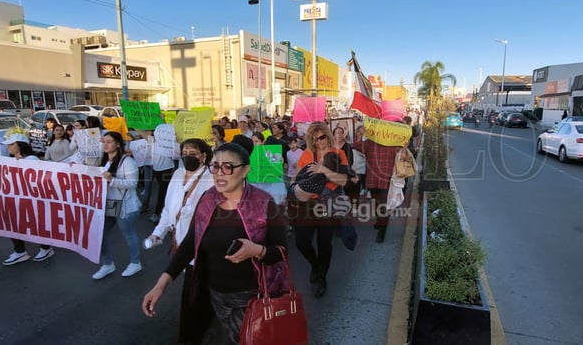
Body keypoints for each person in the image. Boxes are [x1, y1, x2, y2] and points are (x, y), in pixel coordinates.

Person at [142, 143, 288, 344]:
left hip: (251, 296)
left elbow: (281, 251)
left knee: (244, 339)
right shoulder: (207, 198)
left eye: (228, 167)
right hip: (212, 293)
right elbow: (190, 243)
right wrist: (161, 285)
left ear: (245, 170)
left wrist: (257, 250)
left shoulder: (264, 202)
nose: (220, 173)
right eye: (215, 166)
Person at [146, 138, 214, 344]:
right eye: (185, 152)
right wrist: (158, 232)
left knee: (194, 295)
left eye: (193, 153)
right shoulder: (176, 174)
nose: (188, 156)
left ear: (204, 156)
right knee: (195, 291)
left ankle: (194, 336)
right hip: (180, 241)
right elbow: (169, 209)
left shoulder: (211, 179)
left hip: (201, 245)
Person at [292, 122, 348, 297]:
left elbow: (343, 180)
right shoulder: (307, 154)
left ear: (327, 135)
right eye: (314, 139)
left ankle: (321, 276)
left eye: (321, 137)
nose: (319, 142)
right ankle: (315, 265)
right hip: (307, 205)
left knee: (324, 243)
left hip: (328, 205)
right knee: (301, 241)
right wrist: (294, 188)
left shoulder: (339, 154)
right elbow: (295, 177)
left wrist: (323, 169)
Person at [92, 131, 143, 279]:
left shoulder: (127, 161)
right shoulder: (103, 161)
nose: (105, 144)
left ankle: (135, 262)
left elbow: (133, 184)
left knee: (129, 235)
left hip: (125, 206)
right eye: (104, 141)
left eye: (109, 141)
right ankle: (108, 264)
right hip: (107, 205)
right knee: (100, 234)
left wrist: (112, 180)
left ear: (118, 144)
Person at [0, 133, 56, 265]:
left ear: (20, 145)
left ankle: (46, 248)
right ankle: (20, 252)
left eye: (11, 144)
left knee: (36, 224)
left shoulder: (32, 159)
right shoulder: (10, 160)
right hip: (15, 199)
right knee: (13, 224)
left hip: (32, 200)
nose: (8, 147)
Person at [351, 130, 400, 243]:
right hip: (375, 178)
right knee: (377, 202)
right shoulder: (371, 142)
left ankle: (382, 229)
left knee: (382, 204)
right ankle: (380, 222)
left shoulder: (390, 143)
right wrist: (359, 134)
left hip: (383, 179)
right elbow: (357, 146)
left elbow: (357, 145)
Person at [148, 123, 179, 222]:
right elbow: (145, 136)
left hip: (167, 169)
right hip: (156, 170)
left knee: (163, 192)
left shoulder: (170, 143)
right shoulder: (154, 142)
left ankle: (159, 214)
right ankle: (163, 214)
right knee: (163, 192)